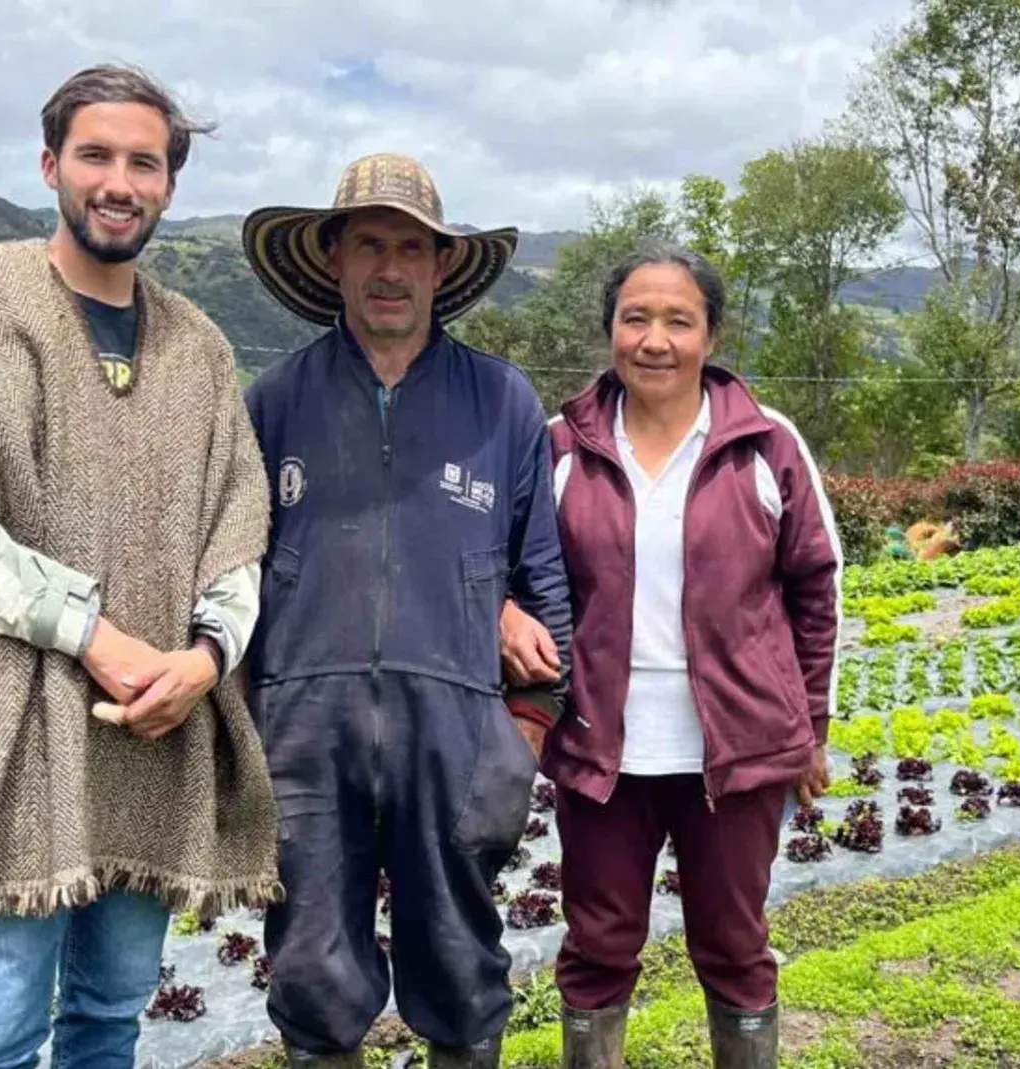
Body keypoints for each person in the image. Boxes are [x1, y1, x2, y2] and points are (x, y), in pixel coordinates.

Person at [0, 64, 282, 1069]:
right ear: (49, 164)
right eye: (96, 155)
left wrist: (203, 659)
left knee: (110, 1016)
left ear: (169, 183)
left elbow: (237, 522)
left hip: (151, 728)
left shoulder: (198, 348)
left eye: (144, 162)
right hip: (11, 720)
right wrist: (91, 633)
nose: (119, 181)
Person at [240, 152, 574, 1068]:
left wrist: (519, 742)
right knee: (310, 970)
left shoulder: (500, 401)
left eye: (411, 248)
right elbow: (231, 574)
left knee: (462, 969)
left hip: (456, 736)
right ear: (335, 259)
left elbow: (544, 583)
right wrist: (250, 731)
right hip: (305, 739)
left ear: (440, 266)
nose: (390, 268)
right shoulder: (273, 402)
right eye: (370, 245)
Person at [500, 244, 842, 1068]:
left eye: (678, 321)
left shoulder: (766, 444)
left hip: (738, 747)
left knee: (733, 941)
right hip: (599, 746)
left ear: (711, 336)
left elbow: (815, 589)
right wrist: (505, 612)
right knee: (597, 943)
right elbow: (497, 566)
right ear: (611, 329)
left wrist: (812, 729)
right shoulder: (559, 446)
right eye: (636, 318)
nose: (655, 339)